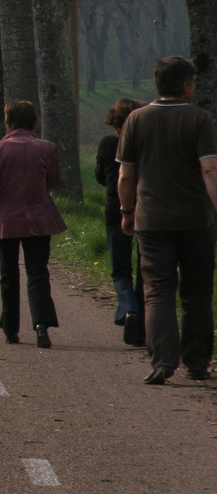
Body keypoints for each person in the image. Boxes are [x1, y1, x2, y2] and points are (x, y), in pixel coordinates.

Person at [116, 55, 217, 384]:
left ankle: (162, 360)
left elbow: (126, 175)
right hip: (195, 220)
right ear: (186, 85)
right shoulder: (199, 119)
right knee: (197, 293)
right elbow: (210, 170)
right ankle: (198, 363)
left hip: (151, 220)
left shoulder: (135, 120)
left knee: (157, 291)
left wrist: (127, 212)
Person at [0, 100, 66, 346]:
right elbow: (54, 180)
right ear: (34, 121)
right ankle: (41, 324)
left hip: (5, 220)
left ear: (8, 122)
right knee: (38, 272)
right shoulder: (47, 148)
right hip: (39, 219)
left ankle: (10, 327)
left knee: (8, 274)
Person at [97, 98, 145, 346]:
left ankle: (128, 309)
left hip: (114, 210)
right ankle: (143, 328)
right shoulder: (145, 145)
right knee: (144, 270)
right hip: (146, 211)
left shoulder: (108, 144)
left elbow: (100, 176)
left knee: (120, 269)